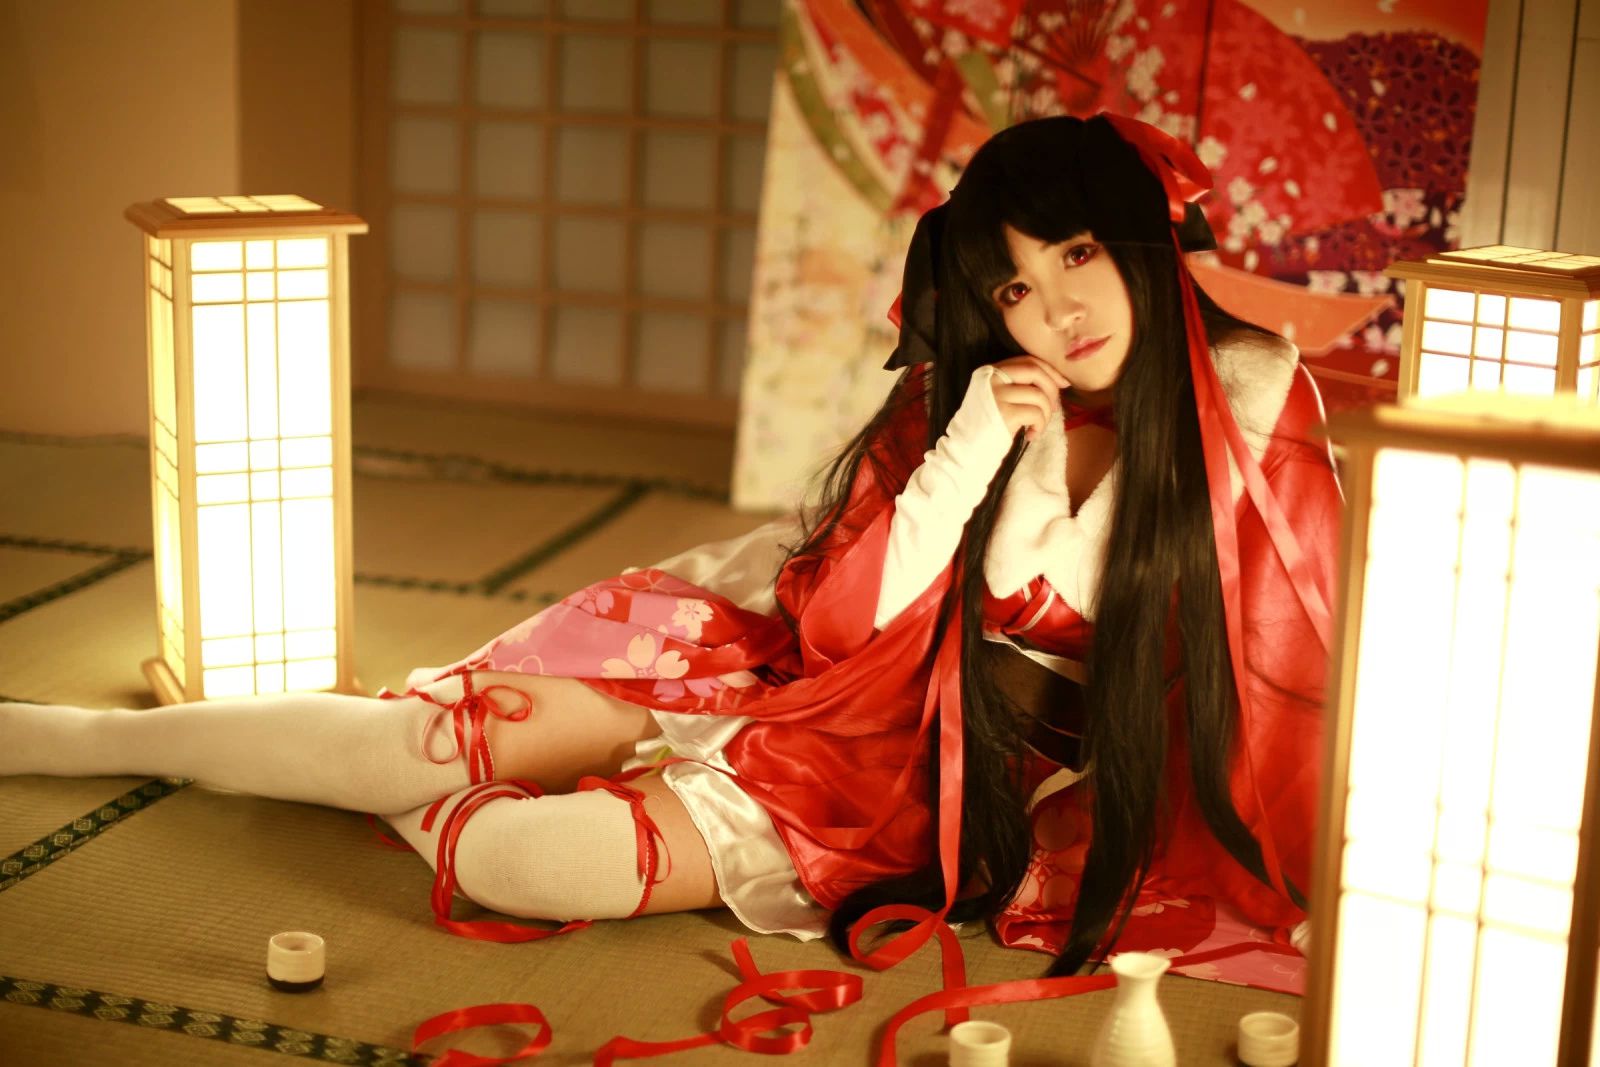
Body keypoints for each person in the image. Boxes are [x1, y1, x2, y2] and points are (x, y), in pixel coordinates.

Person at [1, 114, 1340, 980]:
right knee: (417, 747)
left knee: (529, 867)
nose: (1055, 311)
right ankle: (81, 737)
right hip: (792, 636)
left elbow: (1262, 677)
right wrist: (973, 444)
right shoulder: (977, 398)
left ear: (1145, 243)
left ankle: (446, 792)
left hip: (931, 766)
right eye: (1014, 286)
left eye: (1078, 255)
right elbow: (844, 618)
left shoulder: (1258, 406)